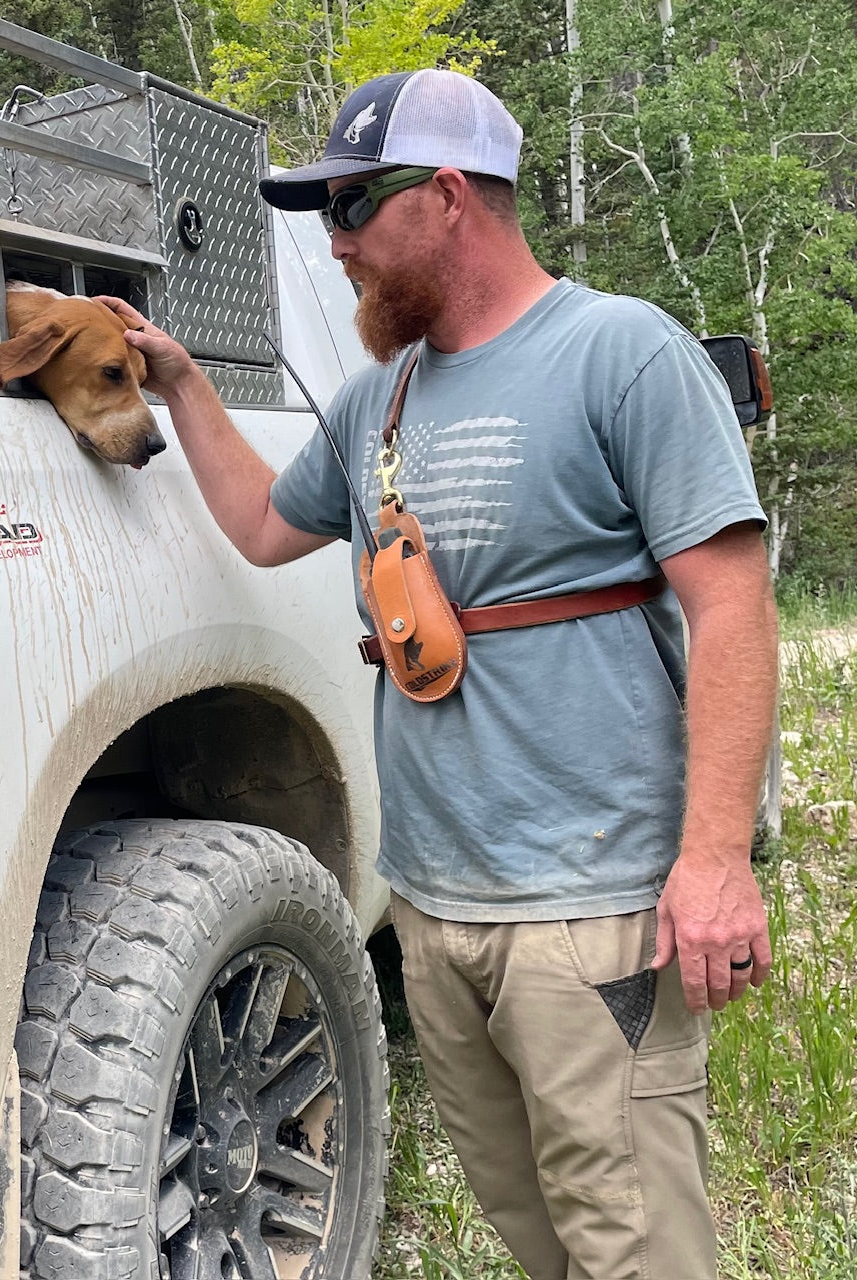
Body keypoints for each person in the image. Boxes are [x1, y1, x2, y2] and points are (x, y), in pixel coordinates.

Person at [100, 68, 779, 1280]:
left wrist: (716, 858)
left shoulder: (623, 355)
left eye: (354, 204)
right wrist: (182, 381)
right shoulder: (380, 399)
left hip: (595, 906)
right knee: (536, 1229)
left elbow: (731, 603)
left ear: (451, 195)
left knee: (637, 1242)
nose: (336, 243)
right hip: (436, 908)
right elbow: (261, 523)